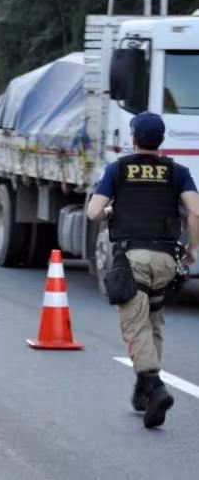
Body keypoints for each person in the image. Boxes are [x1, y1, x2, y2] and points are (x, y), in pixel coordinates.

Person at [88, 111, 199, 429]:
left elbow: (94, 211)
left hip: (132, 259)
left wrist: (111, 208)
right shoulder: (178, 172)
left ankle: (155, 386)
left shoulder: (119, 168)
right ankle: (143, 391)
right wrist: (191, 249)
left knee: (135, 326)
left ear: (133, 139)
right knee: (153, 319)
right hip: (166, 260)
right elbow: (195, 212)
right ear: (161, 140)